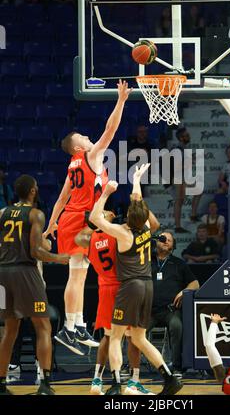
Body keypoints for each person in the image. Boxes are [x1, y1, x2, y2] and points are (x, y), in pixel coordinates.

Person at [44, 80, 132, 355]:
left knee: (79, 273)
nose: (87, 136)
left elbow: (61, 199)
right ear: (76, 146)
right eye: (82, 135)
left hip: (74, 218)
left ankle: (77, 324)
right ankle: (69, 329)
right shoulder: (91, 156)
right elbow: (110, 129)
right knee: (77, 275)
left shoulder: (73, 167)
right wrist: (121, 101)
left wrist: (51, 224)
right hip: (79, 220)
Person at [89, 164, 183, 395]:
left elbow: (93, 217)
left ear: (130, 217)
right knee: (139, 339)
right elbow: (138, 201)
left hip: (130, 287)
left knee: (115, 337)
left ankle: (118, 385)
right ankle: (169, 378)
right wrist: (137, 178)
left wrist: (105, 193)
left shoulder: (123, 232)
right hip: (147, 286)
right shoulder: (148, 228)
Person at [0, 175, 70, 396]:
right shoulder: (35, 214)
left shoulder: (1, 213)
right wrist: (60, 258)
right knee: (43, 327)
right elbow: (35, 252)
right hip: (25, 272)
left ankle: (1, 385)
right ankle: (46, 384)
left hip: (2, 273)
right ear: (32, 191)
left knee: (9, 330)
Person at [75, 211, 154, 395]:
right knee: (132, 337)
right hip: (124, 287)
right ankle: (134, 382)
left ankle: (97, 379)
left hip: (105, 289)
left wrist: (97, 223)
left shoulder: (92, 239)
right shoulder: (117, 234)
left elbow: (79, 238)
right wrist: (105, 219)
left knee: (108, 337)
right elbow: (140, 223)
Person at [149, 231, 199, 377]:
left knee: (176, 326)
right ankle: (133, 368)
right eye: (162, 239)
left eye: (169, 240)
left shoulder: (179, 264)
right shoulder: (146, 261)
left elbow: (195, 283)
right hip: (149, 310)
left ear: (173, 245)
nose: (165, 241)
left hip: (170, 310)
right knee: (136, 329)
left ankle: (176, 366)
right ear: (156, 242)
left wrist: (185, 291)